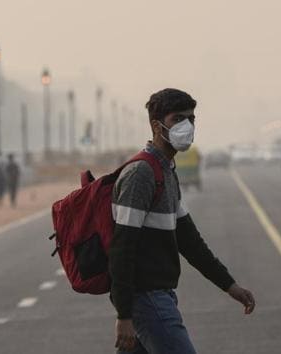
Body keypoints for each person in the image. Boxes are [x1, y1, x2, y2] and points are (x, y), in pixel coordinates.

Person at [109, 88, 255, 354]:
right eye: (178, 119)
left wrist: (229, 285)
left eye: (191, 119)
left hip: (160, 296)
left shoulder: (166, 171)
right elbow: (122, 248)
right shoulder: (142, 174)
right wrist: (124, 315)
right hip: (147, 299)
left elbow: (190, 242)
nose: (187, 126)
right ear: (156, 125)